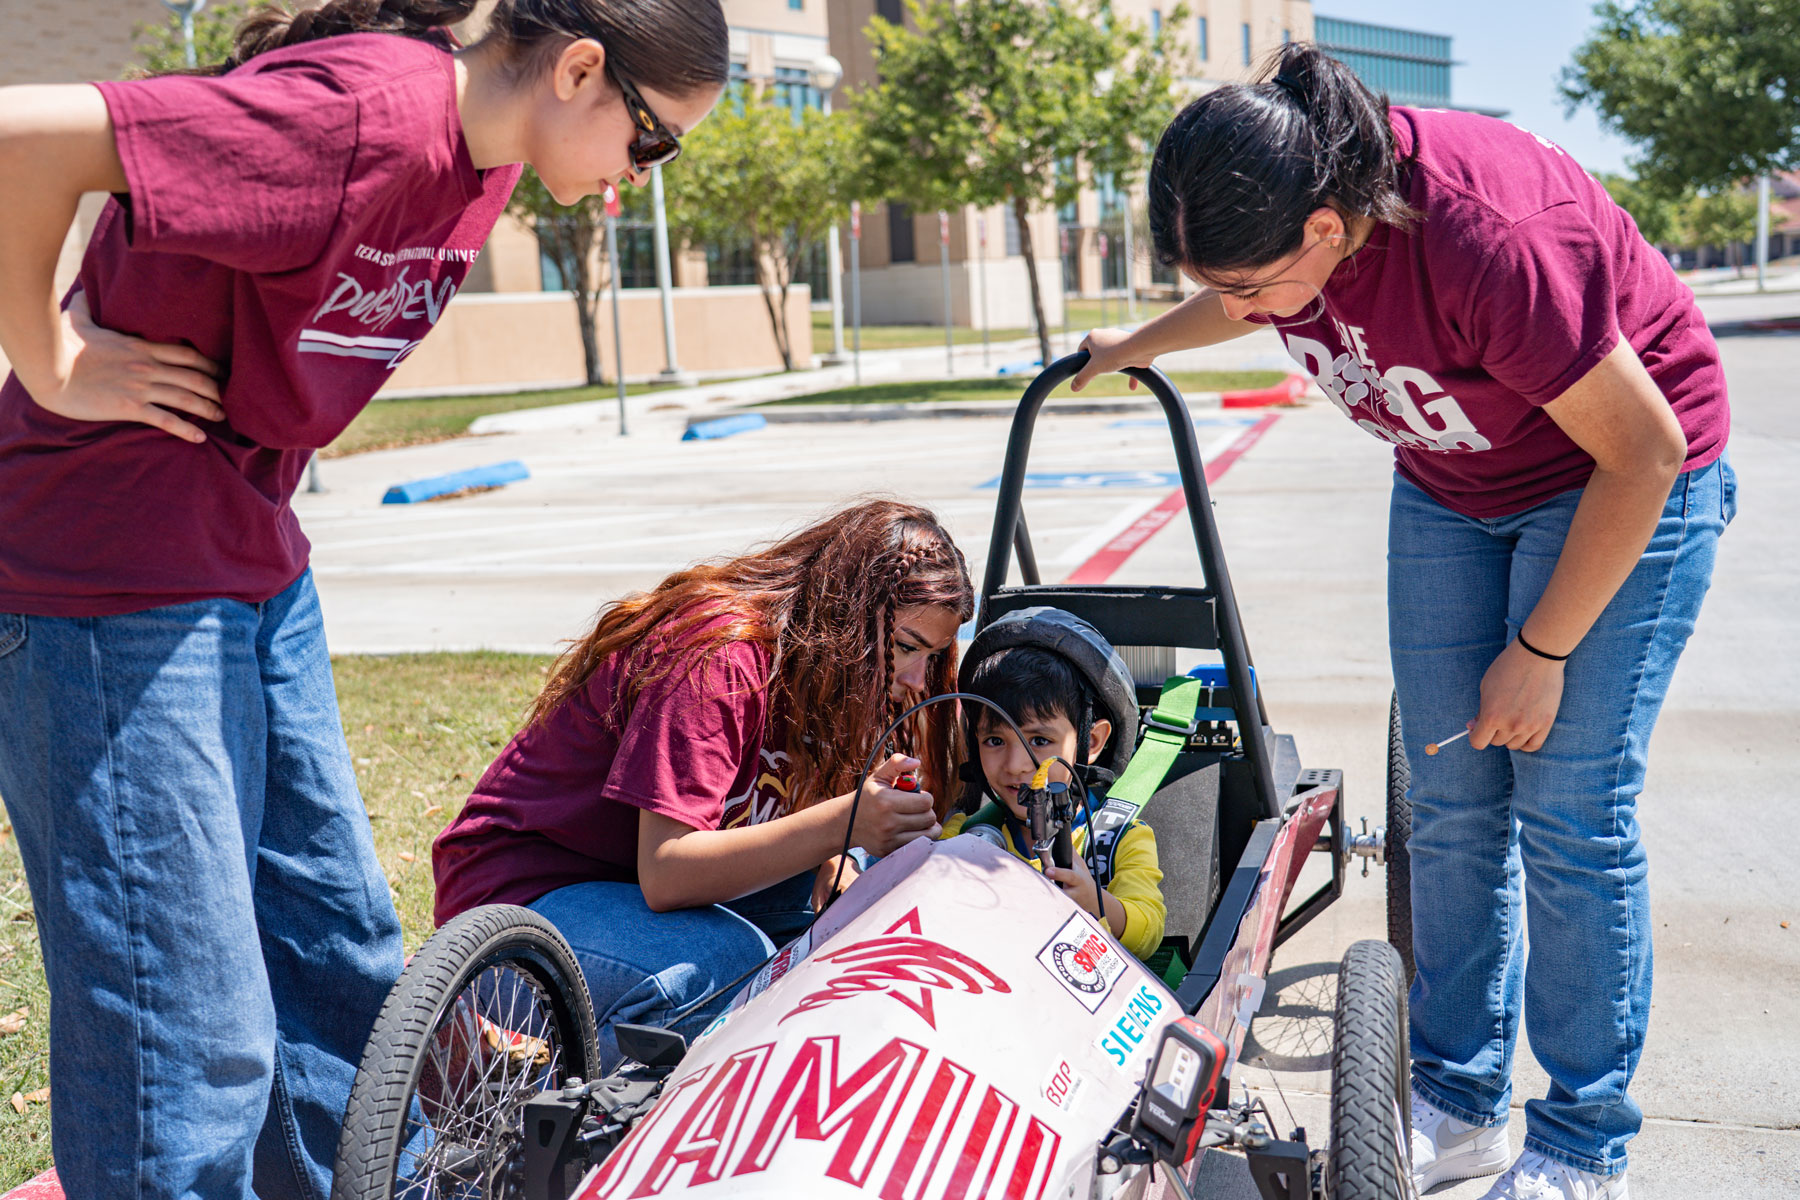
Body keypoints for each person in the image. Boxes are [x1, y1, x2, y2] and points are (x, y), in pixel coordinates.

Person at [0, 2, 728, 1198]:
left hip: (250, 555)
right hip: (109, 576)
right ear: (579, 70)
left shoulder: (488, 164)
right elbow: (21, 134)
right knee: (187, 1039)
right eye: (652, 140)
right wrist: (48, 359)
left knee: (336, 959)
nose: (638, 177)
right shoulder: (362, 118)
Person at [1073, 43, 1733, 1200]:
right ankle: (1458, 1101)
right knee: (1449, 804)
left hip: (1617, 483)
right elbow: (1234, 293)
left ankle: (1584, 1144)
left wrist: (1542, 650)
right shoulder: (1292, 214)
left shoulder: (1488, 237)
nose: (1242, 313)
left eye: (1251, 289)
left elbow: (1645, 450)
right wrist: (1134, 348)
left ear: (1328, 228)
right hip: (1451, 484)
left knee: (1569, 816)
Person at [432, 500, 974, 1069]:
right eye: (907, 647)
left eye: (932, 655)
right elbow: (667, 872)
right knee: (734, 965)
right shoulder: (721, 657)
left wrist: (835, 858)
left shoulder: (825, 672)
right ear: (848, 615)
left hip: (622, 891)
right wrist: (844, 822)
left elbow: (782, 811)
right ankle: (525, 1106)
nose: (917, 678)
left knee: (850, 929)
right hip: (516, 903)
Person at [944, 607, 1166, 962]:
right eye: (995, 741)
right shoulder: (962, 834)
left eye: (1039, 741)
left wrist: (1096, 901)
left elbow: (1149, 930)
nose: (1015, 765)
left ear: (1092, 742)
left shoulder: (1116, 841)